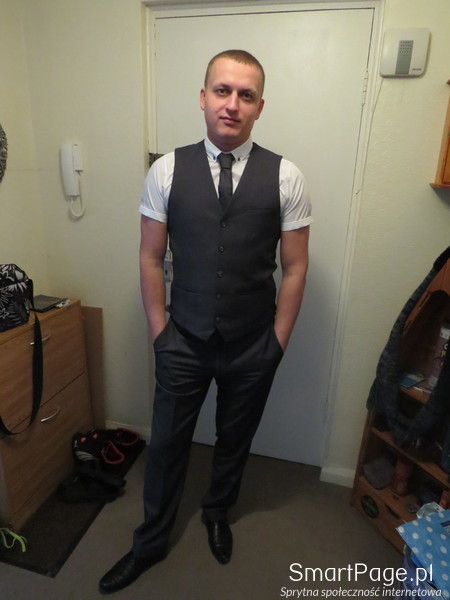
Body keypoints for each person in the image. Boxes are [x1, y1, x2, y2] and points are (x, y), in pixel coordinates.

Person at [99, 49, 312, 595]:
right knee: (167, 445)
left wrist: (277, 343)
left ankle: (217, 513)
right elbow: (150, 257)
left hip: (252, 343)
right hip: (184, 340)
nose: (232, 104)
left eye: (245, 95)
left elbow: (295, 267)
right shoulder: (166, 170)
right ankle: (150, 542)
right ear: (203, 97)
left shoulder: (286, 176)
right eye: (222, 91)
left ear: (259, 106)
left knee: (234, 439)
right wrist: (160, 333)